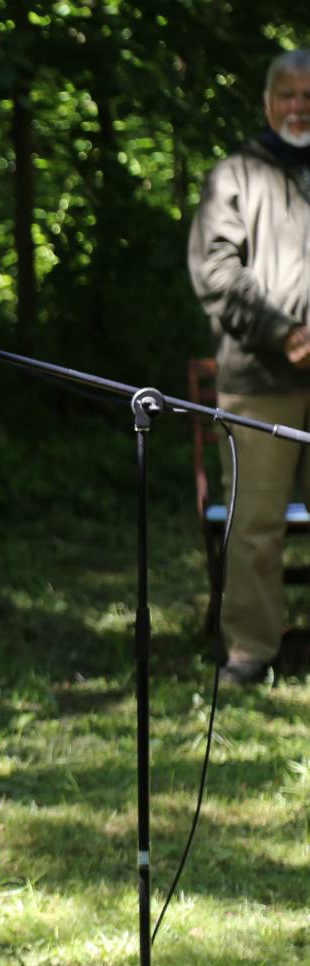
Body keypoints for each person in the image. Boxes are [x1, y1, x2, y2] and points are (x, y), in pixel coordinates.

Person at [188, 47, 310, 686]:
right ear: (267, 103)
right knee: (255, 526)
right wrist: (282, 333)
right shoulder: (234, 175)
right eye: (287, 95)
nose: (298, 107)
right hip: (260, 379)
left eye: (308, 96)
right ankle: (250, 653)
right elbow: (214, 270)